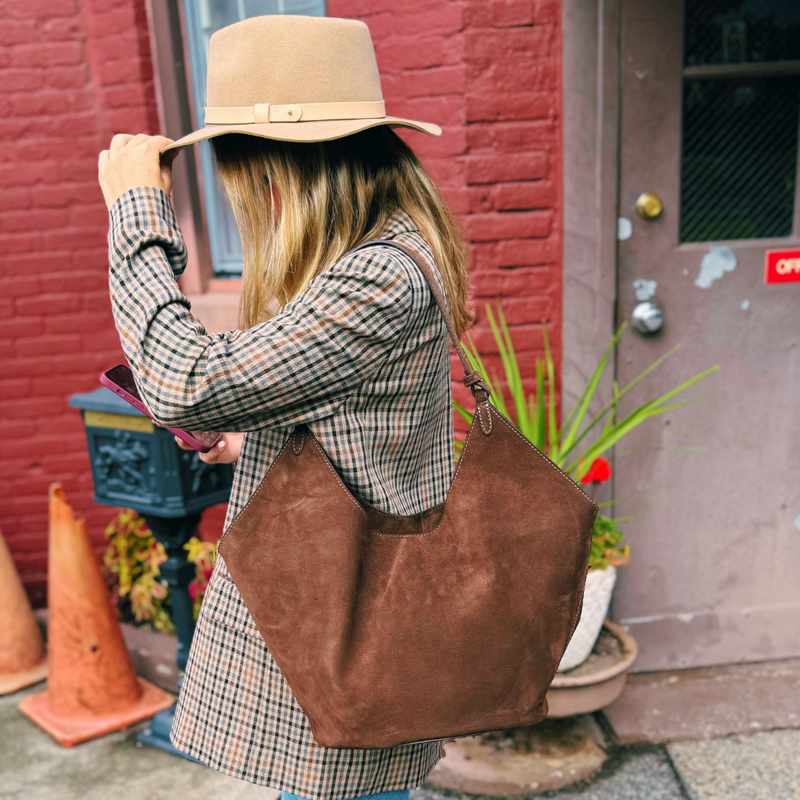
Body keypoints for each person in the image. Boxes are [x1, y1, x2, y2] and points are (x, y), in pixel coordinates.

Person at [97, 14, 473, 800]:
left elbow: (180, 379)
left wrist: (136, 213)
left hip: (343, 623)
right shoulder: (381, 249)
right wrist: (249, 443)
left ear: (277, 171)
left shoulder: (377, 276)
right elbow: (368, 422)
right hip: (341, 615)